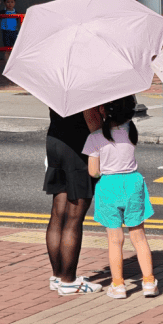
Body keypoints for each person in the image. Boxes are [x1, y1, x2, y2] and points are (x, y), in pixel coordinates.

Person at [83, 96, 158, 299]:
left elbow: (93, 172)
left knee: (115, 240)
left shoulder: (95, 137)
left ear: (103, 110)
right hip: (133, 183)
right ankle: (149, 282)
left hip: (109, 185)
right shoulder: (131, 131)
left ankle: (118, 285)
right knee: (139, 237)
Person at [45, 106, 103, 295]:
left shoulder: (58, 87)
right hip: (79, 148)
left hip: (56, 140)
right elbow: (93, 123)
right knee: (74, 217)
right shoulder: (85, 91)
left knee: (58, 213)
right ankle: (68, 280)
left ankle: (58, 276)